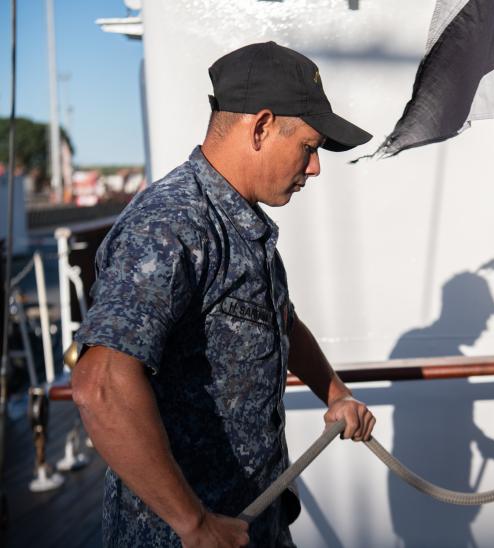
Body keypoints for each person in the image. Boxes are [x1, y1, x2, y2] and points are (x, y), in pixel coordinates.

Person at [71, 42, 376, 547]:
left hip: (254, 521)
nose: (315, 167)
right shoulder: (172, 223)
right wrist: (193, 523)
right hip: (181, 534)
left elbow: (282, 321)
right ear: (259, 127)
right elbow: (100, 385)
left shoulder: (245, 228)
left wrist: (336, 393)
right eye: (309, 146)